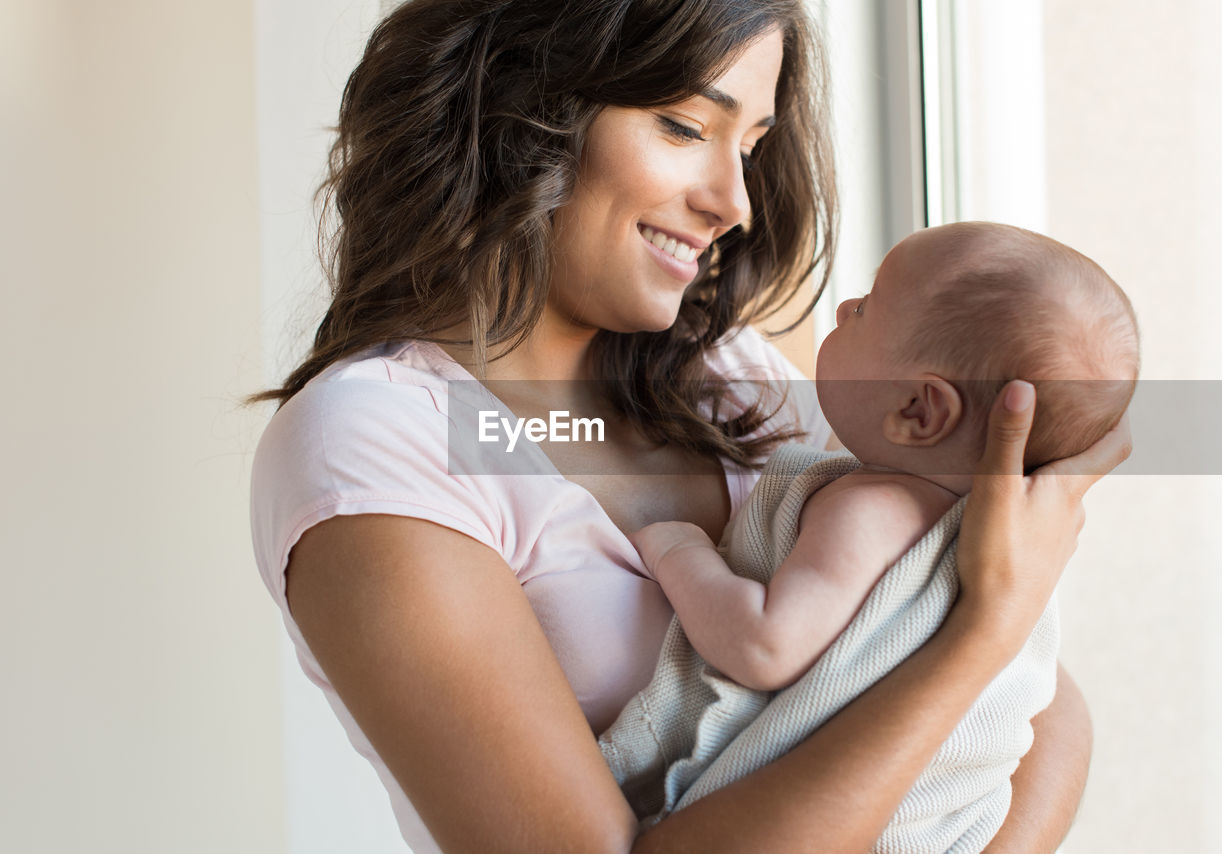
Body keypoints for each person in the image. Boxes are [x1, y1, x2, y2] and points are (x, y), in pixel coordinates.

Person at [248, 2, 1130, 852]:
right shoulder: (378, 441)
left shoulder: (724, 373)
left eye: (751, 144)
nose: (734, 202)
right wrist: (985, 631)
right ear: (518, 106)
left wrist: (995, 634)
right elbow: (973, 657)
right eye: (683, 126)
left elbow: (1039, 713)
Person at [599, 221, 1139, 850]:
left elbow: (764, 646)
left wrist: (678, 550)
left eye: (868, 307)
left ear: (919, 412)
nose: (845, 306)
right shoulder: (979, 539)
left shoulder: (870, 510)